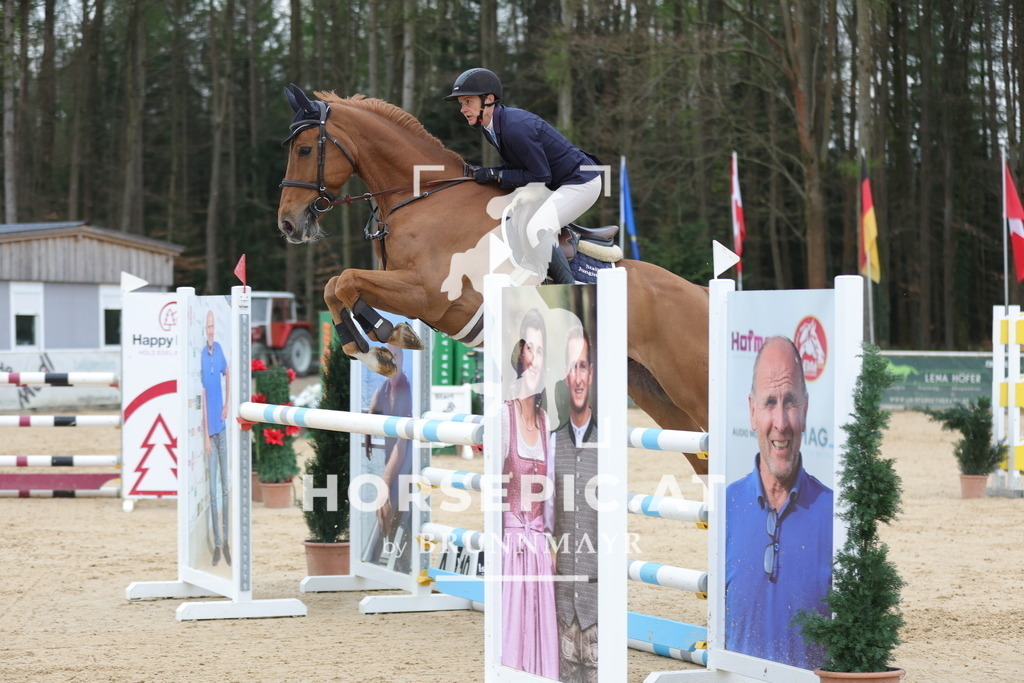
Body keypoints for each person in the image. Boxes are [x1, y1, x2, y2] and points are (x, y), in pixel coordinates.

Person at [725, 335, 833, 669]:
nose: (781, 423)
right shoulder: (723, 509)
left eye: (790, 402)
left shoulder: (837, 515)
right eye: (770, 402)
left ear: (806, 409)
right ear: (751, 411)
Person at [444, 67, 602, 285]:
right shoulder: (489, 127)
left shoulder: (515, 127)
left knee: (538, 228)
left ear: (488, 100)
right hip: (558, 182)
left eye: (468, 101)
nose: (463, 109)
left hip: (581, 182)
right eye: (461, 103)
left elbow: (540, 176)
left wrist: (495, 174)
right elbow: (517, 165)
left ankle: (570, 290)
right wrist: (491, 172)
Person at [501, 308, 559, 678]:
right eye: (530, 349)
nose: (536, 359)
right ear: (520, 356)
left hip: (538, 544)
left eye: (541, 350)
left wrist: (551, 543)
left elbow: (550, 495)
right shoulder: (501, 416)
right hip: (508, 545)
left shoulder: (545, 420)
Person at [552, 323, 598, 682]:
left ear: (592, 373)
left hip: (599, 599)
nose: (578, 377)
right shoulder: (551, 441)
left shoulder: (611, 438)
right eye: (571, 367)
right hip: (562, 598)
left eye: (583, 366)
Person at [362, 343, 413, 573]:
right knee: (384, 506)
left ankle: (400, 563)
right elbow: (372, 409)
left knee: (395, 504)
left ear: (401, 358)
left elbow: (402, 446)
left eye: (396, 355)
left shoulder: (407, 390)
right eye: (388, 356)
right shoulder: (383, 388)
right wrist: (368, 436)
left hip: (408, 459)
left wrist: (385, 478)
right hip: (391, 456)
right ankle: (384, 556)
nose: (392, 360)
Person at [200, 310, 231, 567]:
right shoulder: (200, 356)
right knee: (212, 491)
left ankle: (227, 540)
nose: (211, 330)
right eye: (208, 326)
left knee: (225, 486)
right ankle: (217, 543)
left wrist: (227, 404)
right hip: (210, 433)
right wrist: (206, 436)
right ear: (203, 328)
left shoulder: (219, 350)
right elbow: (201, 397)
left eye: (213, 325)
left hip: (222, 427)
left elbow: (228, 371)